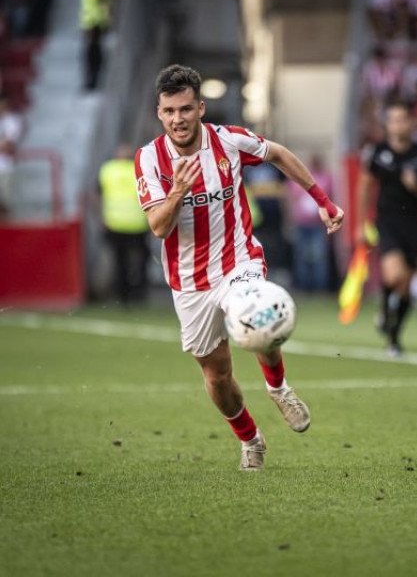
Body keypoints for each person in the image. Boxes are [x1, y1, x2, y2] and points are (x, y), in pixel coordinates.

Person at [135, 65, 343, 470]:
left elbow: (279, 154)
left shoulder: (228, 140)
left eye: (185, 109)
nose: (178, 119)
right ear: (159, 113)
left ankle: (278, 387)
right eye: (169, 111)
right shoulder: (148, 159)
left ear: (200, 107)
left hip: (238, 260)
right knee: (217, 375)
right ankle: (250, 438)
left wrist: (322, 200)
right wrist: (177, 190)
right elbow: (159, 227)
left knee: (258, 313)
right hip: (190, 280)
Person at [356, 101, 417, 356]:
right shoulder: (377, 152)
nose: (396, 125)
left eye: (402, 119)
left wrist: (416, 186)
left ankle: (393, 335)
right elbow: (365, 186)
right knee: (395, 275)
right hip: (387, 222)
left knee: (406, 286)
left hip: (412, 224)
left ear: (411, 123)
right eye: (392, 120)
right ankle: (384, 311)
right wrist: (360, 224)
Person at [98, 143, 149, 304]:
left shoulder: (108, 169)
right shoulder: (137, 168)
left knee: (125, 261)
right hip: (129, 224)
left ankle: (127, 295)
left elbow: (97, 194)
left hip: (123, 223)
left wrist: (101, 215)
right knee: (135, 260)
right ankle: (132, 294)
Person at [287, 153, 334, 292]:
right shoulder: (297, 178)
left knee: (319, 257)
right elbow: (290, 198)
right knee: (301, 257)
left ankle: (319, 287)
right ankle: (304, 286)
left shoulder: (326, 178)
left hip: (318, 224)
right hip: (301, 223)